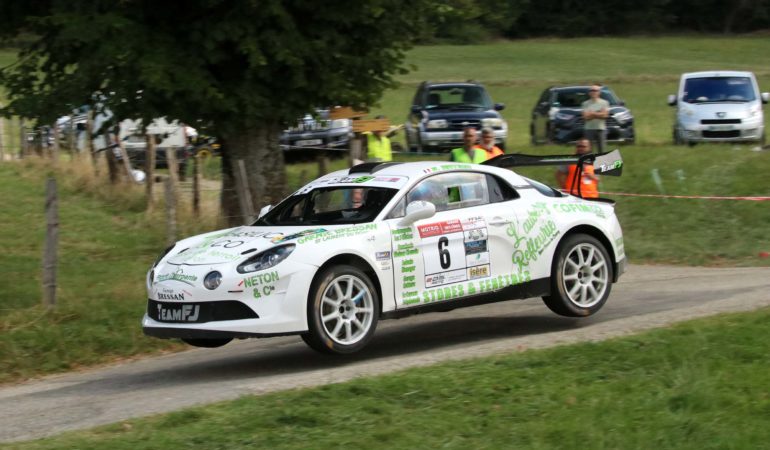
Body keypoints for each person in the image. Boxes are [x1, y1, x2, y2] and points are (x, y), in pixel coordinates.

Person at [581, 84, 609, 153]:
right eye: (591, 90)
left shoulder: (604, 103)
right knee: (588, 150)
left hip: (601, 129)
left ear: (599, 92)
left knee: (601, 150)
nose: (593, 92)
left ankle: (601, 164)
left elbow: (605, 115)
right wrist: (599, 113)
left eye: (595, 90)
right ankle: (589, 164)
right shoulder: (585, 104)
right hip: (589, 129)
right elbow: (585, 117)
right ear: (589, 93)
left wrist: (592, 113)